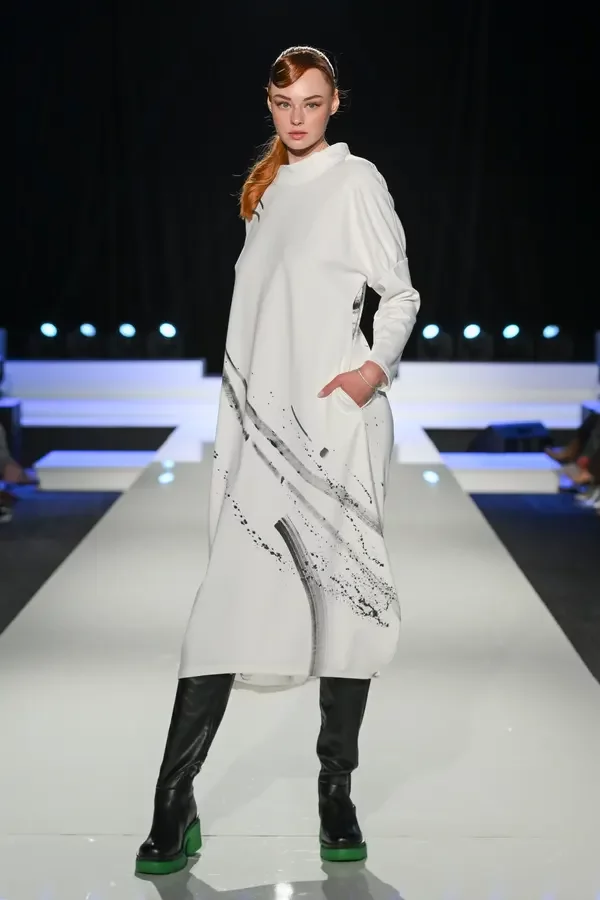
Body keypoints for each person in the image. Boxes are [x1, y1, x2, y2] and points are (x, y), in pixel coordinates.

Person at [136, 46, 420, 877]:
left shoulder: (355, 180)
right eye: (285, 102)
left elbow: (399, 293)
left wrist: (371, 371)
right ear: (269, 105)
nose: (298, 116)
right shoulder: (263, 194)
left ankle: (336, 792)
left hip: (333, 430)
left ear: (335, 105)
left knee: (344, 609)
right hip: (260, 436)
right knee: (224, 606)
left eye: (313, 102)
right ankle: (172, 801)